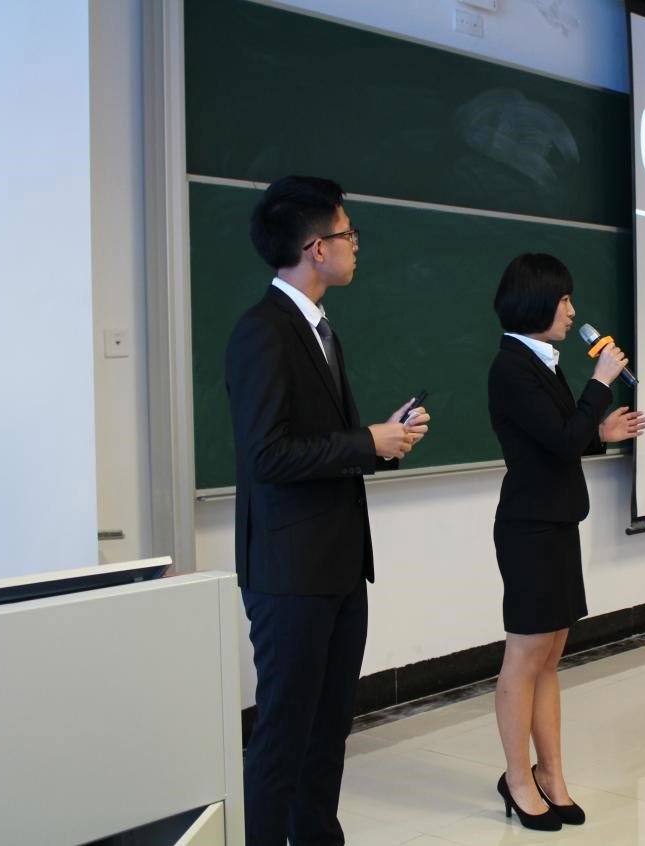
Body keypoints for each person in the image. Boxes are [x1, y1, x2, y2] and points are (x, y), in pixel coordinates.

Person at [225, 175, 431, 846]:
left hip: (338, 564)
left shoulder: (319, 328)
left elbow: (324, 444)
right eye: (348, 233)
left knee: (328, 730)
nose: (355, 245)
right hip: (289, 570)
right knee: (284, 734)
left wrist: (382, 441)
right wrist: (364, 441)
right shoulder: (262, 331)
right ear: (316, 247)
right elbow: (267, 455)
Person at [487, 253, 645, 831]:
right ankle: (517, 778)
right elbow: (557, 440)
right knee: (525, 656)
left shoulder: (542, 362)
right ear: (536, 302)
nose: (573, 312)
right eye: (564, 300)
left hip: (556, 522)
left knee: (551, 655)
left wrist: (599, 431)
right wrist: (599, 384)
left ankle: (551, 774)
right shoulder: (511, 367)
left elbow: (561, 438)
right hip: (529, 529)